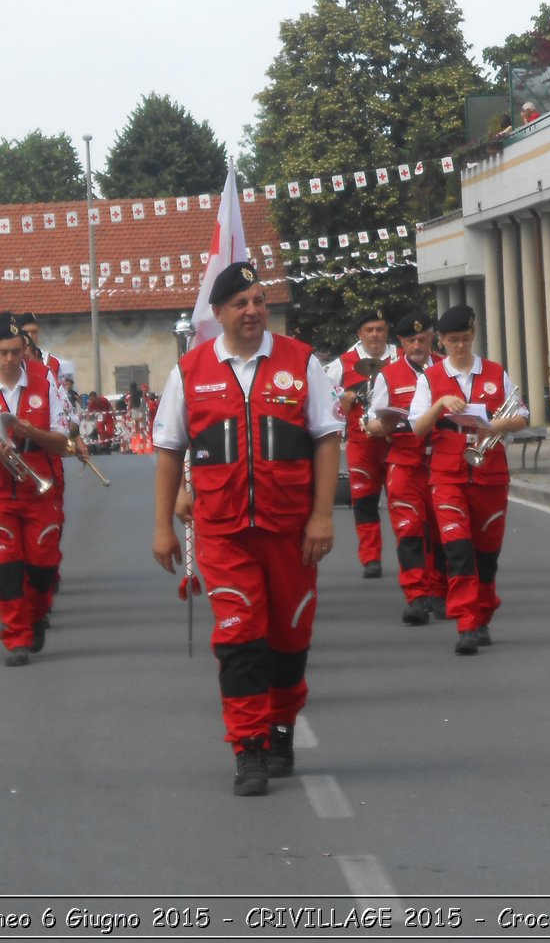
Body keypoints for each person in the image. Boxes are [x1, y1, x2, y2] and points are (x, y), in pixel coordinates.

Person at [151, 262, 341, 796]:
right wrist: (163, 526)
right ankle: (248, 747)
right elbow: (169, 451)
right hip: (222, 532)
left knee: (288, 639)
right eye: (241, 303)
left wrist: (322, 515)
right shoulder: (189, 371)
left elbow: (327, 439)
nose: (253, 311)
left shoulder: (301, 362)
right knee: (240, 638)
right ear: (218, 314)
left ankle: (281, 729)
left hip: (290, 531)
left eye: (259, 300)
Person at [408, 304, 528, 656]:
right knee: (457, 550)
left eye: (466, 339)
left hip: (489, 473)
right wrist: (441, 404)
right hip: (447, 475)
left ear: (473, 336)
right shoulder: (429, 379)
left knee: (486, 552)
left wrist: (494, 423)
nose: (460, 346)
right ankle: (466, 622)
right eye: (452, 340)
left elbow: (520, 415)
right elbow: (417, 428)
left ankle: (483, 611)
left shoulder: (494, 372)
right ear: (441, 342)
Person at [0, 312, 70, 667]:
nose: (10, 359)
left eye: (16, 351)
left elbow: (61, 439)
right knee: (5, 569)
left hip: (39, 485)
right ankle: (16, 637)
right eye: (3, 352)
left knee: (42, 566)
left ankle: (36, 616)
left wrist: (29, 432)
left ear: (24, 349)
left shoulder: (45, 379)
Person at [362, 311, 445, 626]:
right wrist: (382, 424)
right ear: (401, 342)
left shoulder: (446, 369)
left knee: (440, 529)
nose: (418, 344)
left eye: (423, 338)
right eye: (411, 339)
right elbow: (372, 421)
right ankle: (416, 596)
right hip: (405, 461)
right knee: (409, 530)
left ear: (432, 337)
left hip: (440, 461)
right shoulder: (389, 375)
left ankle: (439, 591)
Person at [323, 309, 398, 578]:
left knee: (401, 501)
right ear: (360, 334)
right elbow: (325, 398)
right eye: (370, 330)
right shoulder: (343, 363)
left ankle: (410, 553)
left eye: (380, 329)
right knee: (364, 502)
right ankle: (371, 558)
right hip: (361, 444)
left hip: (396, 442)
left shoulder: (399, 357)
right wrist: (345, 399)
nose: (375, 335)